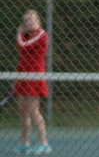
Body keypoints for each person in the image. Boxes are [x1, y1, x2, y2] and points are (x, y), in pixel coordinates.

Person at [12, 9, 52, 155]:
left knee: (34, 111)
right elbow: (22, 48)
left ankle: (44, 143)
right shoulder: (25, 35)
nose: (28, 22)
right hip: (22, 76)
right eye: (26, 20)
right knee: (22, 111)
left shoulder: (42, 35)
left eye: (31, 19)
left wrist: (19, 33)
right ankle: (25, 144)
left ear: (38, 20)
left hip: (35, 77)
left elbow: (23, 45)